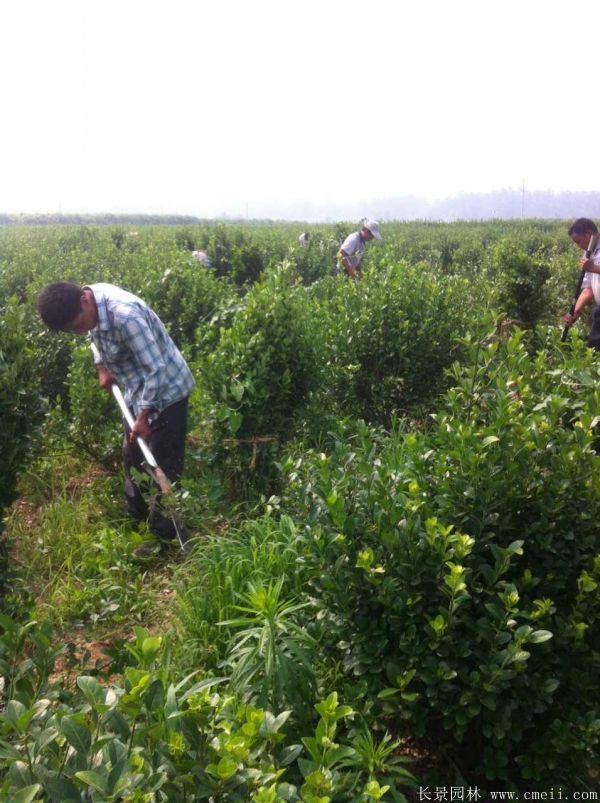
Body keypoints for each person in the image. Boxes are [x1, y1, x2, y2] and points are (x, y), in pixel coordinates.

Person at [37, 282, 195, 550]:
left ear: (85, 301)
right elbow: (94, 338)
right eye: (71, 331)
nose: (79, 332)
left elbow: (156, 370)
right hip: (135, 390)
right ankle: (136, 512)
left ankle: (163, 536)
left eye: (78, 325)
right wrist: (102, 367)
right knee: (132, 453)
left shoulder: (125, 315)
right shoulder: (89, 303)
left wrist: (144, 416)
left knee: (162, 462)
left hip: (166, 392)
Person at [562, 218, 600, 349]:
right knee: (594, 349)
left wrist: (594, 268)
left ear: (588, 234)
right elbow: (588, 289)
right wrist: (574, 313)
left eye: (578, 241)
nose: (578, 245)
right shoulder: (589, 255)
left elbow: (594, 269)